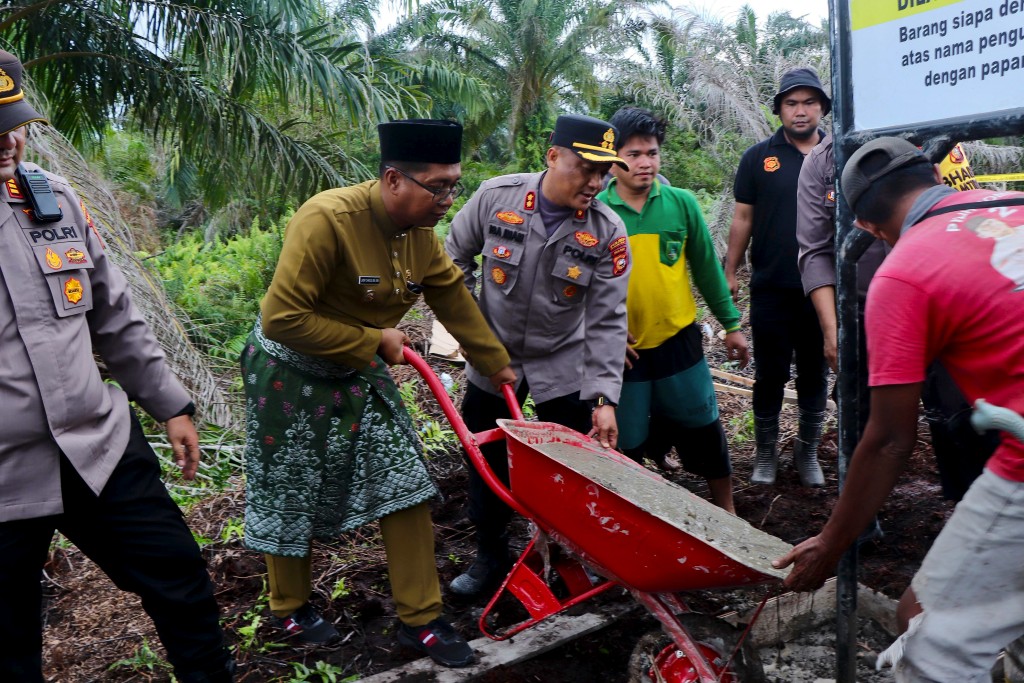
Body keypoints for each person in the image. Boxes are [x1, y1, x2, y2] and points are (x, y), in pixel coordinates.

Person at [242, 119, 515, 668]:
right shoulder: (327, 219)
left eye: (454, 185)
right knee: (293, 489)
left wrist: (499, 367)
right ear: (393, 179)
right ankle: (289, 606)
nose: (448, 199)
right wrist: (373, 340)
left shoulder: (420, 236)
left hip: (357, 371)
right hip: (290, 372)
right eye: (437, 186)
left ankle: (421, 620)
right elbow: (281, 319)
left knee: (406, 483)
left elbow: (452, 297)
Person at [0, 50, 233, 682]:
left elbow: (114, 315)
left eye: (16, 124)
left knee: (179, 576)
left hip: (95, 445)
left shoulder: (50, 199)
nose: (9, 141)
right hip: (5, 474)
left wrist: (171, 404)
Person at [775, 136, 1024, 681]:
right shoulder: (1010, 205)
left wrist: (830, 544)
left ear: (866, 227)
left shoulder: (903, 271)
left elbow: (890, 439)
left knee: (924, 632)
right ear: (935, 177)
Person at [444, 114, 631, 597]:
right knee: (486, 461)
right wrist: (473, 335)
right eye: (585, 168)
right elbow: (452, 261)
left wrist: (604, 398)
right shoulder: (496, 198)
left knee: (567, 470)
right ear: (552, 156)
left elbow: (608, 319)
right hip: (493, 358)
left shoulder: (608, 231)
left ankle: (569, 556)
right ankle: (490, 557)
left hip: (561, 363)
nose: (595, 183)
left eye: (603, 172)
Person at [797, 136, 994, 503]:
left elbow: (966, 214)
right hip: (863, 309)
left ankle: (970, 501)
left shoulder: (940, 142)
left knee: (957, 408)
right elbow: (814, 250)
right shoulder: (821, 161)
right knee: (864, 412)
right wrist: (832, 329)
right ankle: (863, 510)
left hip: (940, 297)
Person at [596, 106, 749, 512]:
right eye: (633, 154)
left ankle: (728, 510)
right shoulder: (596, 213)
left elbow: (707, 270)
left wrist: (731, 324)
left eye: (652, 153)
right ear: (612, 161)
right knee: (626, 440)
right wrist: (602, 338)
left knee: (703, 426)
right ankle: (633, 516)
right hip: (624, 352)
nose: (645, 163)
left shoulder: (681, 204)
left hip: (679, 341)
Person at [724, 67, 830, 488]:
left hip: (823, 290)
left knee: (815, 373)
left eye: (809, 103)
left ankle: (808, 452)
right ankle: (765, 454)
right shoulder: (758, 158)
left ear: (822, 108)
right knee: (769, 373)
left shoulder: (839, 155)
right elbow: (743, 217)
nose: (800, 111)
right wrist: (730, 270)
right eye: (791, 103)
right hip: (771, 286)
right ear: (779, 110)